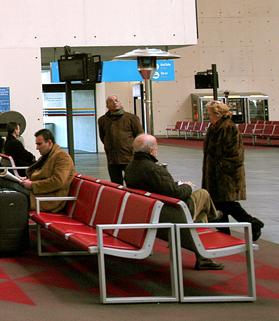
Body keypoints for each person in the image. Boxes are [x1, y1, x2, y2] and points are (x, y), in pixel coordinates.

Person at [125, 134, 225, 270]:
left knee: (201, 216)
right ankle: (213, 215)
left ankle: (204, 258)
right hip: (170, 215)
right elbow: (177, 194)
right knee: (203, 194)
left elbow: (159, 188)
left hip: (149, 212)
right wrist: (187, 186)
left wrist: (174, 184)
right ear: (150, 150)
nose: (157, 149)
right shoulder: (155, 169)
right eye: (156, 147)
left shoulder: (130, 168)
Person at [0, 128, 75, 224]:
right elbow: (42, 175)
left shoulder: (62, 157)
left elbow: (58, 181)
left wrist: (32, 184)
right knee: (2, 190)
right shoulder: (49, 155)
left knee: (2, 182)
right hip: (39, 193)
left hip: (47, 198)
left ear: (49, 142)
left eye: (39, 144)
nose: (37, 147)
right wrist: (26, 179)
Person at [202, 100, 264, 241]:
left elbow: (235, 154)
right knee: (219, 204)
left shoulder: (228, 127)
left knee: (228, 204)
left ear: (218, 114)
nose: (208, 116)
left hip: (225, 175)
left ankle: (254, 224)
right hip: (214, 174)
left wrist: (221, 167)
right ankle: (225, 234)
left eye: (210, 113)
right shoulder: (214, 127)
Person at [97, 95, 143, 185]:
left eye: (116, 100)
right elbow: (103, 137)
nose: (115, 103)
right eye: (111, 101)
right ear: (107, 106)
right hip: (112, 159)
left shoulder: (131, 118)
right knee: (115, 184)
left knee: (132, 182)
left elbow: (140, 136)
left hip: (129, 157)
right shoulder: (102, 120)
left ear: (120, 103)